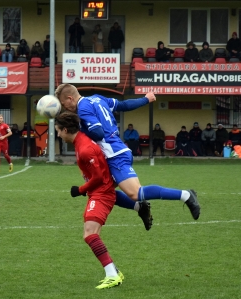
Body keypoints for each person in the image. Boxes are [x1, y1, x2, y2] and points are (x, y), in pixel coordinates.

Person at [55, 83, 200, 227]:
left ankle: (186, 195)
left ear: (70, 98)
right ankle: (140, 207)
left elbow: (98, 132)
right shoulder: (97, 98)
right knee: (101, 190)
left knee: (136, 193)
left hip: (114, 155)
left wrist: (79, 131)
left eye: (63, 104)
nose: (64, 107)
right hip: (115, 151)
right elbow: (123, 105)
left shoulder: (83, 109)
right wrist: (145, 99)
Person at [55, 111, 123, 290]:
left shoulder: (85, 148)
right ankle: (114, 271)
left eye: (58, 131)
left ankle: (112, 274)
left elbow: (99, 177)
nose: (58, 135)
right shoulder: (80, 141)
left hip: (102, 193)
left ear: (66, 129)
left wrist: (80, 190)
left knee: (89, 234)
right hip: (98, 193)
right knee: (92, 234)